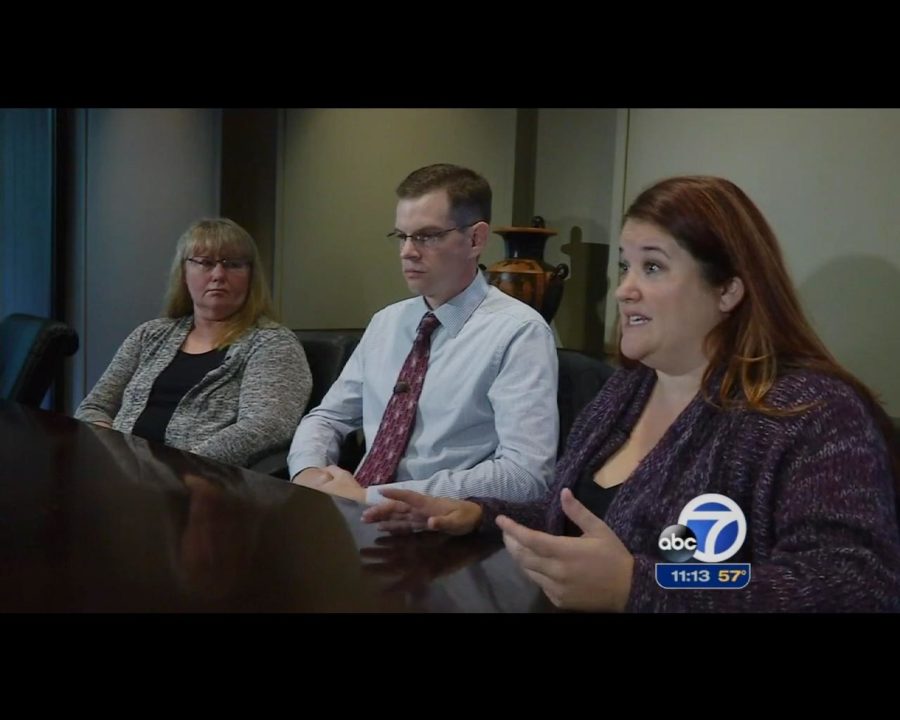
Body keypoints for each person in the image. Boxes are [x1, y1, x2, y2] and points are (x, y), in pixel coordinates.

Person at [362, 175, 900, 612]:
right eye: (625, 265)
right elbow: (570, 516)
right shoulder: (628, 388)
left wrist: (640, 586)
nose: (625, 288)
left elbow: (851, 586)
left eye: (653, 267)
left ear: (728, 289)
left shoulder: (812, 413)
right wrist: (475, 513)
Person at [288, 163, 558, 506]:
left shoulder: (519, 332)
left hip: (442, 531)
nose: (407, 252)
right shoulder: (387, 323)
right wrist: (308, 471)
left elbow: (525, 477)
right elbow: (328, 418)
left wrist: (375, 497)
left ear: (476, 239)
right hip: (352, 513)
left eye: (427, 236)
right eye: (402, 236)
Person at [76, 217, 312, 468]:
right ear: (184, 274)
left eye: (233, 265)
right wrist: (112, 452)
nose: (219, 275)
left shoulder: (272, 343)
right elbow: (95, 406)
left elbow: (269, 425)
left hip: (202, 483)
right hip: (122, 473)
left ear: (251, 277)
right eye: (205, 263)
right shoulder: (151, 334)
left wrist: (188, 464)